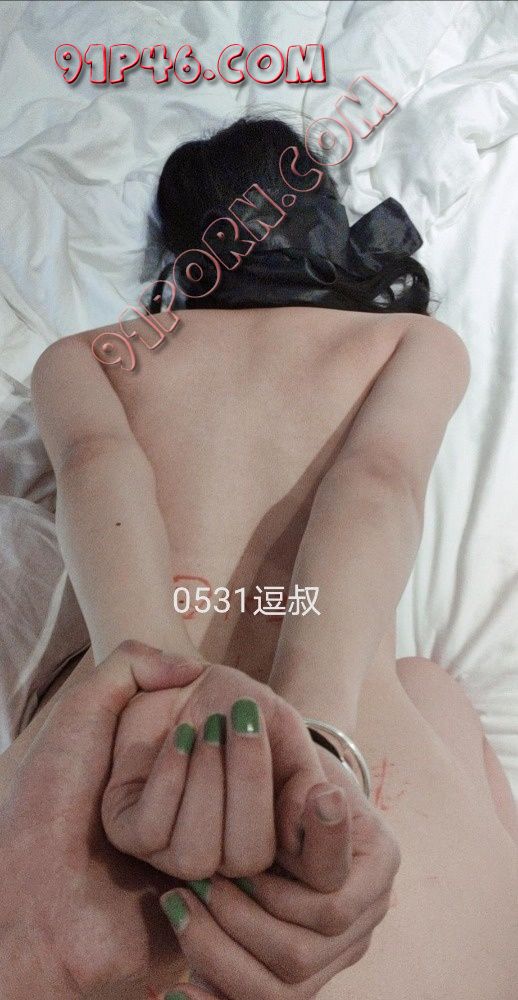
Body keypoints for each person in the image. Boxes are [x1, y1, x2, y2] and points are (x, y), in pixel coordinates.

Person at [15, 115, 518, 998]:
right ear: (327, 214)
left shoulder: (87, 357)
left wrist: (155, 706)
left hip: (105, 775)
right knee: (430, 685)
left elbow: (98, 474)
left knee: (48, 692)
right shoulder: (411, 341)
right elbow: (375, 487)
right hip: (361, 794)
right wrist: (312, 745)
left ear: (178, 251)